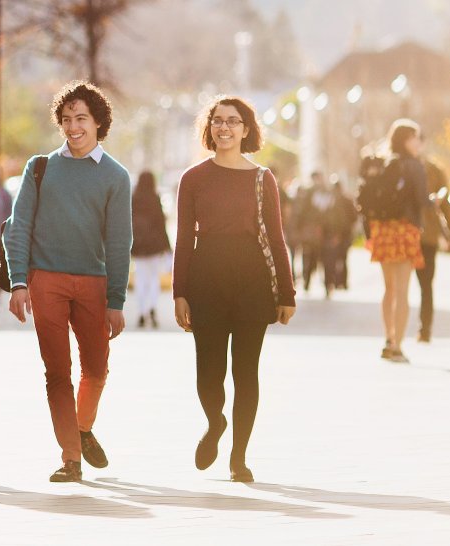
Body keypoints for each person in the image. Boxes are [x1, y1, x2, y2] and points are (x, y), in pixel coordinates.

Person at [4, 81, 133, 483]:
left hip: (94, 282)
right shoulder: (40, 167)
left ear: (98, 122)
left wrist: (116, 300)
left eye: (81, 119)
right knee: (57, 371)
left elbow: (118, 242)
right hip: (46, 282)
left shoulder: (115, 176)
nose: (73, 127)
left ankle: (81, 427)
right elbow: (18, 226)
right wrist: (19, 282)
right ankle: (71, 457)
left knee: (96, 368)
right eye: (66, 120)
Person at [171, 96, 297, 483]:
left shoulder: (263, 178)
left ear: (246, 129)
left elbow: (277, 238)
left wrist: (286, 294)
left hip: (252, 282)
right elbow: (182, 239)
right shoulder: (193, 179)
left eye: (233, 121)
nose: (224, 127)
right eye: (217, 120)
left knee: (246, 372)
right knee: (208, 373)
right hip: (206, 280)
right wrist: (180, 292)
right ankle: (215, 422)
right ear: (209, 128)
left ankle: (239, 459)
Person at [362, 120, 431, 363]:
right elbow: (423, 199)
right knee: (402, 290)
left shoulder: (382, 162)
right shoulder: (414, 165)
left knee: (389, 288)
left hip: (383, 229)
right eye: (415, 137)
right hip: (404, 229)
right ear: (406, 139)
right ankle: (398, 345)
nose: (418, 142)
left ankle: (387, 339)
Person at [415, 160, 450, 342]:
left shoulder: (434, 169)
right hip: (420, 234)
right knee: (425, 284)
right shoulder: (432, 169)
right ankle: (423, 329)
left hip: (419, 234)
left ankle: (424, 328)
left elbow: (445, 201)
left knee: (423, 284)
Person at [131, 171, 172, 328]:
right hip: (154, 246)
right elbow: (161, 225)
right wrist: (167, 247)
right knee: (153, 278)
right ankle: (152, 308)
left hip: (138, 246)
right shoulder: (155, 199)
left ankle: (141, 311)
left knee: (141, 278)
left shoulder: (134, 199)